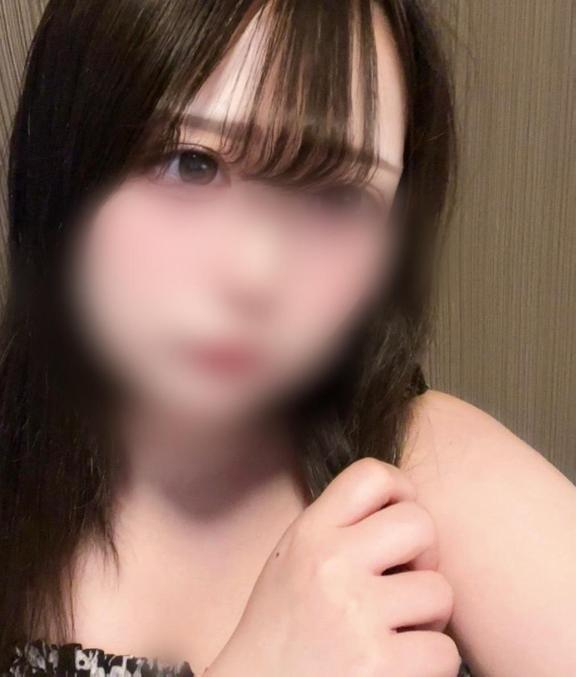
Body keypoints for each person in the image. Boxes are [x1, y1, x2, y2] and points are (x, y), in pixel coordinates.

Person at [1, 0, 575, 675]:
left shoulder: (433, 475)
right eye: (191, 164)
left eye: (337, 198)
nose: (258, 271)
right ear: (64, 165)